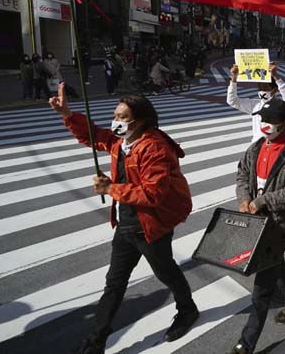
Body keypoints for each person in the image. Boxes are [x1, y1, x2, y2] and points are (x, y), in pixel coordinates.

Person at [49, 87, 199, 353]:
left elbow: (153, 193)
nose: (116, 120)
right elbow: (95, 136)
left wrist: (110, 190)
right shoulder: (122, 141)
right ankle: (95, 343)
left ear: (139, 121)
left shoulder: (154, 148)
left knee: (166, 272)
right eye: (115, 114)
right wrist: (68, 114)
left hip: (151, 225)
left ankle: (187, 309)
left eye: (122, 116)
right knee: (114, 283)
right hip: (126, 223)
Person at [228, 99, 285, 354]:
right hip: (255, 220)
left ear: (284, 124)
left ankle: (246, 343)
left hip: (278, 224)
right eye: (262, 120)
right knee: (274, 263)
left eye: (270, 122)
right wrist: (244, 199)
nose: (264, 125)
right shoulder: (255, 148)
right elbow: (242, 174)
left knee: (261, 289)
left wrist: (263, 200)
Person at [227, 62, 285, 142]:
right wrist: (234, 78)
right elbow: (232, 101)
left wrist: (275, 76)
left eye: (265, 88)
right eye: (260, 88)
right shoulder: (255, 105)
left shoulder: (280, 106)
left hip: (275, 146)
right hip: (256, 147)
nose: (262, 91)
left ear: (274, 91)